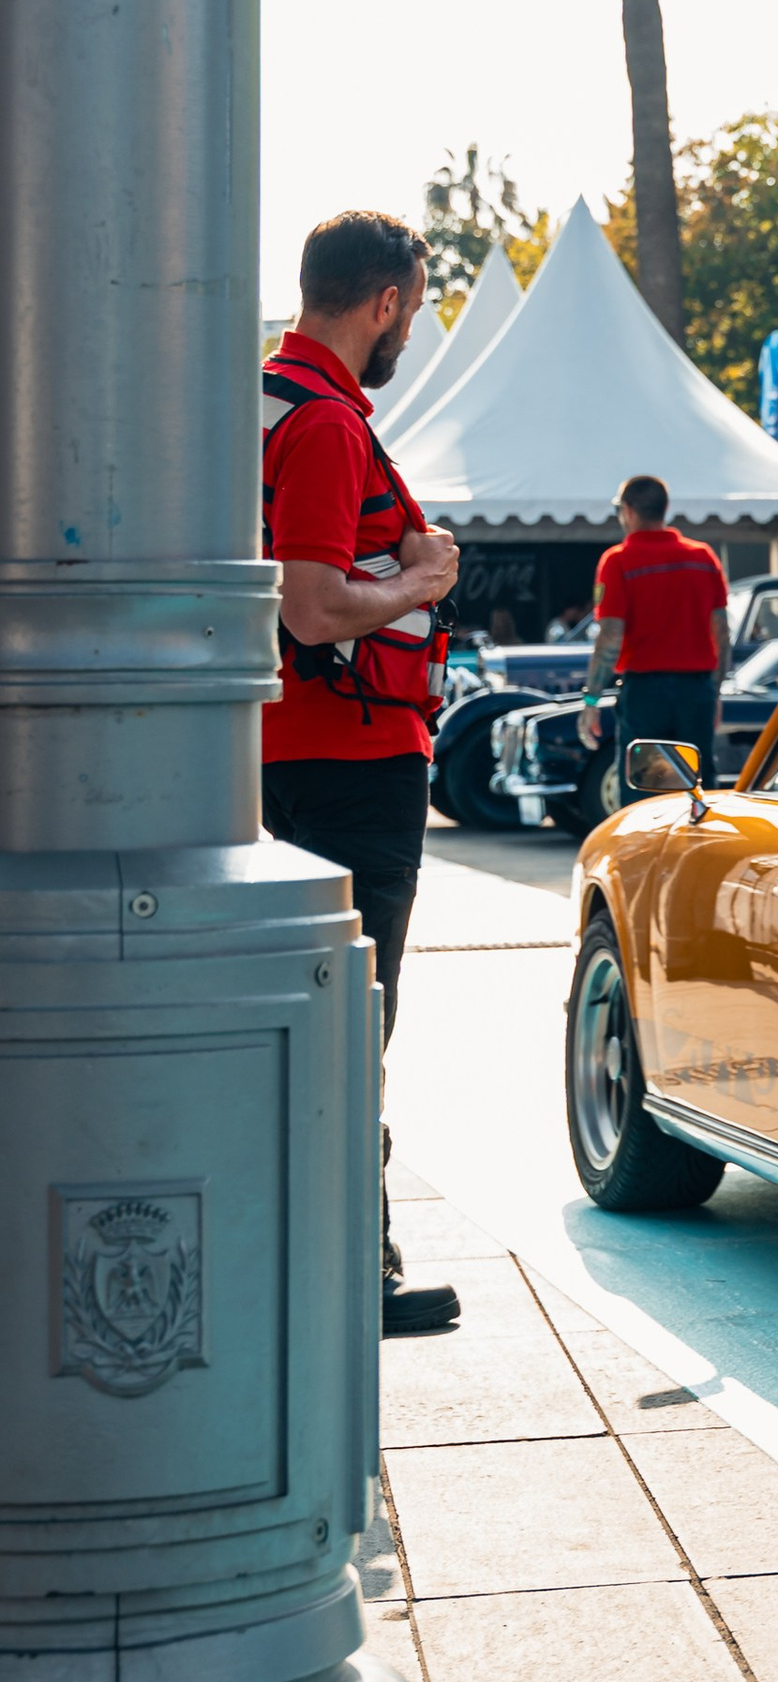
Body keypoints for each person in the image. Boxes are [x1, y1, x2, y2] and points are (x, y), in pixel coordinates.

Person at [261, 209, 462, 1335]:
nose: (409, 334)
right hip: (355, 760)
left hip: (275, 753)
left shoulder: (254, 403)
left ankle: (313, 1255)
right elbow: (316, 601)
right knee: (353, 1024)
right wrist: (421, 582)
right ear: (382, 302)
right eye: (414, 311)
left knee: (303, 1020)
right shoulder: (329, 426)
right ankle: (354, 1273)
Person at [578, 476, 732, 778]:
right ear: (666, 509)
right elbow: (722, 634)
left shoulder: (618, 561)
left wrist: (592, 699)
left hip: (645, 692)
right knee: (696, 783)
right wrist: (714, 693)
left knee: (643, 786)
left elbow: (610, 637)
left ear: (629, 510)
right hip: (696, 690)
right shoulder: (703, 558)